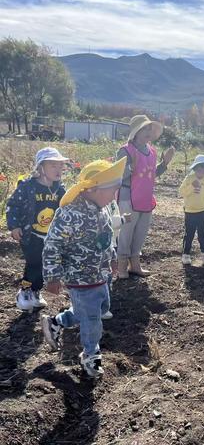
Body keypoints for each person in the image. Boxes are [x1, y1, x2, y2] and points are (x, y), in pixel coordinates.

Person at [41, 158, 127, 378]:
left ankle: (55, 322)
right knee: (92, 319)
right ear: (93, 188)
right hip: (80, 278)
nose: (114, 196)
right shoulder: (70, 213)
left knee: (97, 309)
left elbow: (107, 238)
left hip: (101, 274)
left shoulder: (103, 208)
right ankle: (91, 355)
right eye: (112, 190)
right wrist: (52, 276)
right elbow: (52, 245)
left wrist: (113, 259)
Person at [6, 147, 69, 311]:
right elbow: (13, 206)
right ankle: (24, 292)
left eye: (60, 166)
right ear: (41, 168)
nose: (58, 170)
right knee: (34, 263)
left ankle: (35, 291)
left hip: (50, 236)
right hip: (31, 234)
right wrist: (14, 226)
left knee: (45, 265)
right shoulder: (28, 187)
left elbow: (67, 208)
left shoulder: (60, 189)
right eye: (53, 166)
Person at [116, 115, 175, 279]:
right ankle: (121, 266)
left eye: (150, 128)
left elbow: (151, 174)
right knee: (126, 232)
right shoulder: (125, 150)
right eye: (145, 128)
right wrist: (130, 169)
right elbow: (118, 175)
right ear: (136, 132)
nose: (149, 131)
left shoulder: (152, 151)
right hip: (128, 198)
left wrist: (164, 164)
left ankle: (135, 265)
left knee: (140, 233)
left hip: (146, 198)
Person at [179, 155, 204, 266]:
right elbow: (182, 192)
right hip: (190, 211)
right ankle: (186, 254)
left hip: (203, 211)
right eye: (200, 168)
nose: (202, 171)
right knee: (189, 234)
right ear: (195, 168)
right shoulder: (189, 179)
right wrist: (192, 187)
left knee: (202, 234)